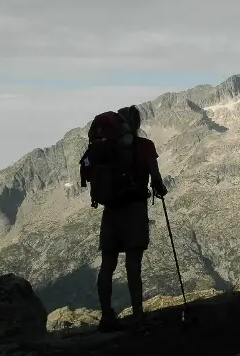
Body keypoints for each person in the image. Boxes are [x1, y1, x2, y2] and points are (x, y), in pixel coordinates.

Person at [92, 105, 168, 331]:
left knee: (107, 265)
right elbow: (157, 182)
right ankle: (138, 315)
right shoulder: (145, 147)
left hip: (111, 211)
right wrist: (159, 187)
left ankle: (106, 316)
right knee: (133, 265)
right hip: (134, 210)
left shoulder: (106, 150)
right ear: (137, 124)